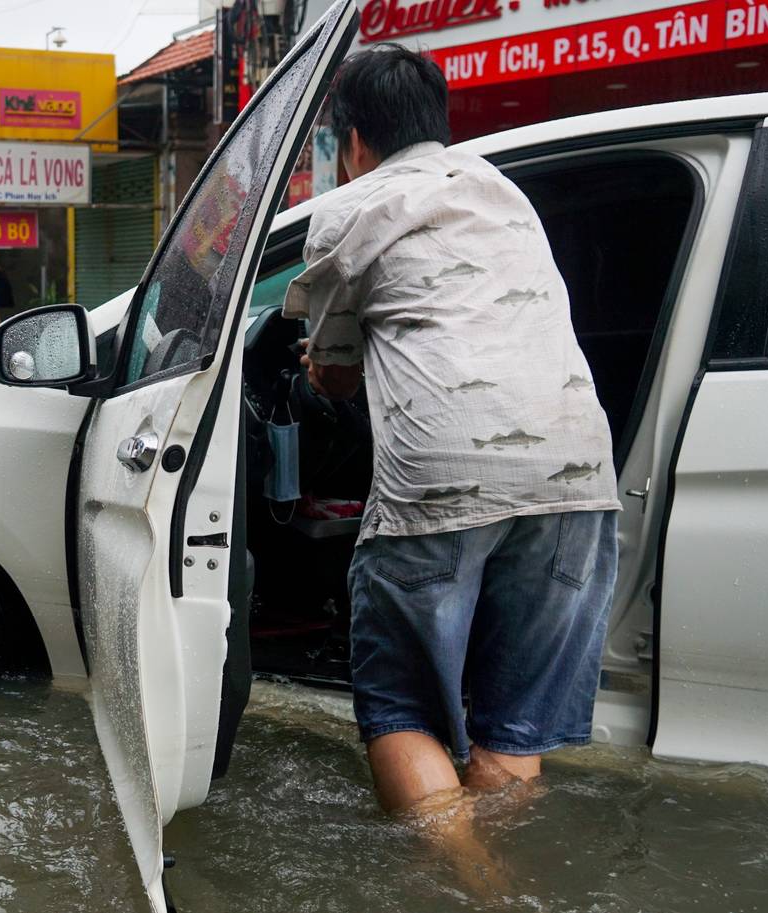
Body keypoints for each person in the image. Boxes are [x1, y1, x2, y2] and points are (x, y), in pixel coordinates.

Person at [283, 46, 620, 816]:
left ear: (353, 140)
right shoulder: (506, 191)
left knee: (402, 710)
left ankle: (464, 878)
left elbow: (333, 376)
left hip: (444, 479)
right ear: (439, 121)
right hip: (577, 476)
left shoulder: (348, 210)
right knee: (512, 728)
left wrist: (321, 369)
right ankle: (497, 864)